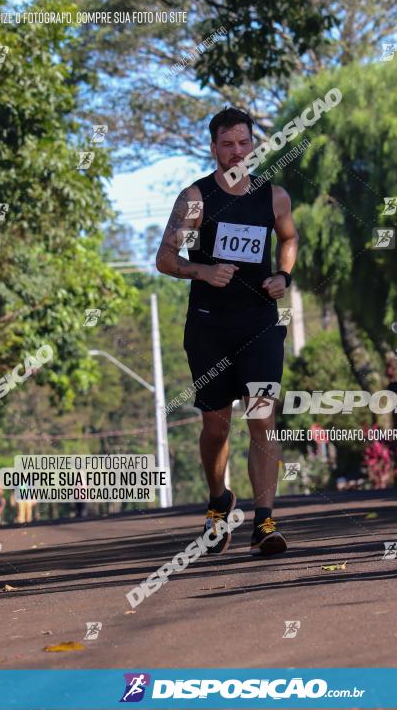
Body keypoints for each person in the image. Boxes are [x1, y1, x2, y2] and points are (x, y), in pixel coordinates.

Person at [156, 106, 299, 556]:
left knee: (262, 417)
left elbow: (289, 238)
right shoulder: (195, 199)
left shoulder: (273, 196)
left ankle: (264, 522)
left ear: (253, 144)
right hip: (209, 326)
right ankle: (219, 503)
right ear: (213, 147)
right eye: (227, 144)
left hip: (258, 323)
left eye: (243, 142)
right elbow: (165, 259)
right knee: (216, 426)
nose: (236, 152)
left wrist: (284, 275)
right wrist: (202, 271)